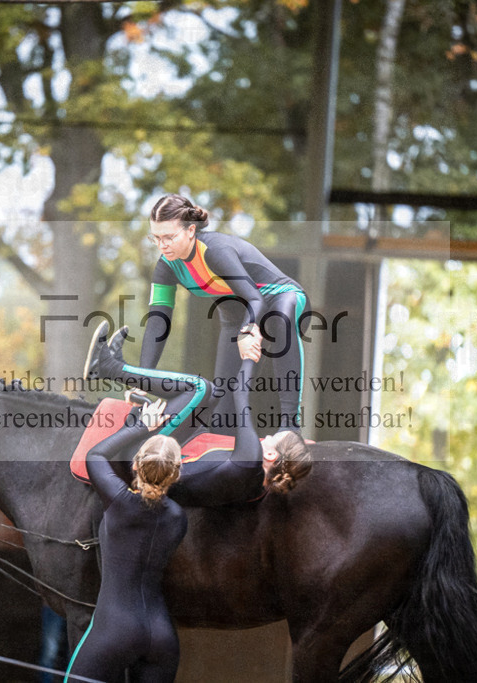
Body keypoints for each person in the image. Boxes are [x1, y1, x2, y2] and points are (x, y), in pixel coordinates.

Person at [86, 324, 313, 506]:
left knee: (200, 388)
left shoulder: (251, 459)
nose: (268, 437)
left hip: (145, 461)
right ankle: (120, 367)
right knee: (212, 394)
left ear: (272, 455)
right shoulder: (255, 483)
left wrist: (249, 357)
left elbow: (240, 398)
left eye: (273, 438)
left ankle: (108, 367)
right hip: (166, 463)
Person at [142, 193, 311, 433]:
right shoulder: (166, 267)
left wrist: (248, 331)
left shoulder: (214, 251)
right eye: (156, 238)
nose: (162, 245)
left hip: (279, 300)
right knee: (223, 413)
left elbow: (255, 297)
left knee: (281, 318)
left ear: (191, 230)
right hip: (236, 318)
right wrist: (140, 378)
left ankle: (289, 427)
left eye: (169, 237)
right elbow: (158, 323)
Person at [64, 377, 187, 683]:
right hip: (161, 636)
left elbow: (96, 455)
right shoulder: (178, 517)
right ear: (176, 475)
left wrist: (141, 426)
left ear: (135, 464)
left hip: (114, 630)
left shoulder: (120, 502)